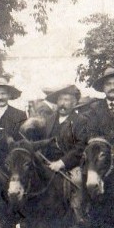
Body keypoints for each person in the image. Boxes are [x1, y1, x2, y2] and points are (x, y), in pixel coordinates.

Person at [41, 84, 89, 212]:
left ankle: (77, 215)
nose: (63, 103)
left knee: (77, 181)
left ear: (74, 103)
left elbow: (80, 147)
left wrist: (62, 163)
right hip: (48, 163)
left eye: (67, 100)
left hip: (71, 165)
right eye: (60, 100)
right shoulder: (48, 120)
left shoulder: (80, 121)